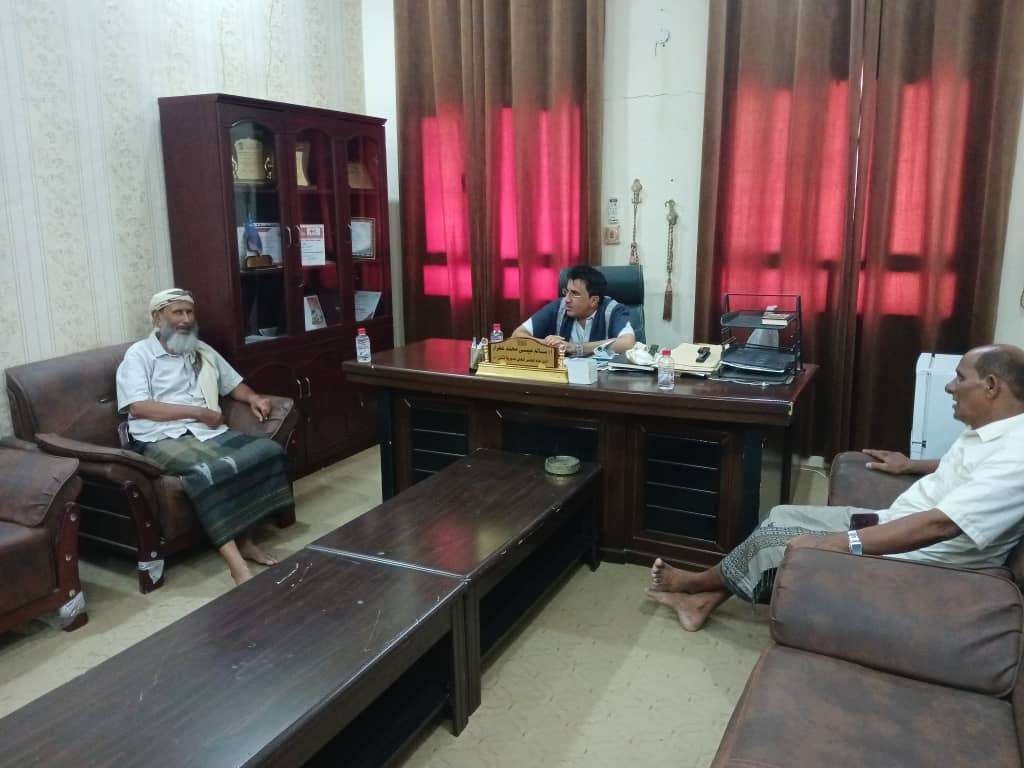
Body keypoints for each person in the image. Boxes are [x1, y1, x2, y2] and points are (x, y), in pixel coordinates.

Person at [647, 344, 1024, 632]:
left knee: (775, 540)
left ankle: (696, 584)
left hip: (917, 553)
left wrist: (842, 543)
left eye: (960, 378)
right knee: (780, 515)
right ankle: (703, 600)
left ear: (992, 386)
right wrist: (911, 464)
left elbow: (941, 526)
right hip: (893, 520)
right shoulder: (994, 432)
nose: (949, 386)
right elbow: (965, 468)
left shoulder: (1016, 457)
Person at [116, 288, 293, 585]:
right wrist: (198, 413)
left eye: (189, 312)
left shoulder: (200, 350)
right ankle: (237, 566)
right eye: (177, 312)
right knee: (207, 471)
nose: (186, 319)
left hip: (204, 431)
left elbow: (232, 383)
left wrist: (253, 398)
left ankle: (247, 540)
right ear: (158, 318)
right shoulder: (139, 355)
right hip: (158, 436)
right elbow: (139, 407)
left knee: (266, 451)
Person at [512, 265, 636, 356]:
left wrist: (575, 348)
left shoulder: (613, 310)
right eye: (566, 292)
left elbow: (628, 343)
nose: (567, 299)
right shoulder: (559, 307)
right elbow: (517, 336)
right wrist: (547, 344)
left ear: (593, 300)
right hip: (565, 380)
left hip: (603, 380)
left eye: (575, 294)